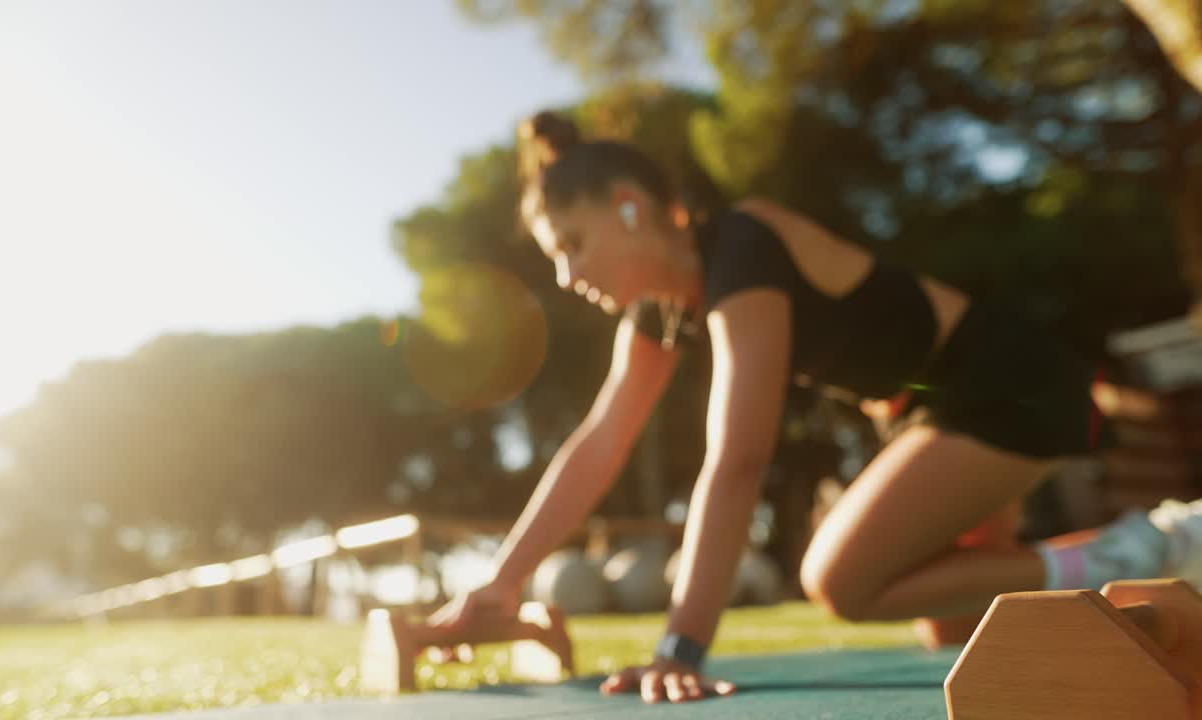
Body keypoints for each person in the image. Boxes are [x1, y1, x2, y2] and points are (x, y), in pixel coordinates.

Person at [425, 110, 1200, 704]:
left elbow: (738, 460)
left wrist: (682, 648)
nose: (566, 276)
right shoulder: (662, 313)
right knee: (954, 627)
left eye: (571, 244)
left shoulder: (742, 249)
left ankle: (1158, 544)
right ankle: (1138, 571)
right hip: (931, 407)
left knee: (841, 582)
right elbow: (599, 443)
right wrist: (504, 581)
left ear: (630, 208)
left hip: (1002, 383)